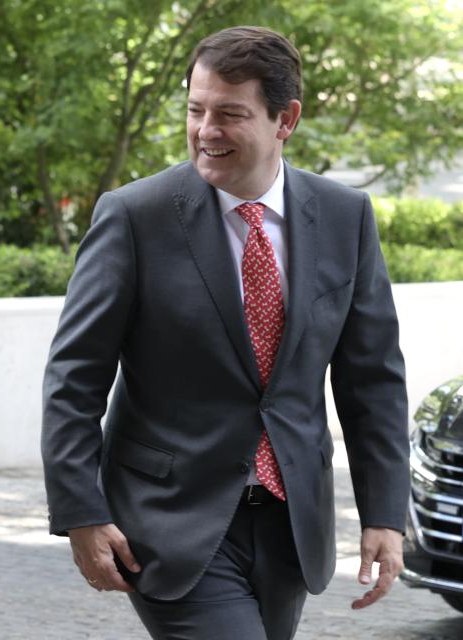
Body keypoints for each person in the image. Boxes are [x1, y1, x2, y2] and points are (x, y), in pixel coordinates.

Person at [41, 26, 408, 640]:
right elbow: (73, 378)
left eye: (230, 114)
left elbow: (372, 381)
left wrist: (384, 514)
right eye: (195, 109)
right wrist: (81, 510)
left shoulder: (345, 218)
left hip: (292, 525)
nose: (205, 130)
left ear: (284, 119)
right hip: (169, 520)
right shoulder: (134, 216)